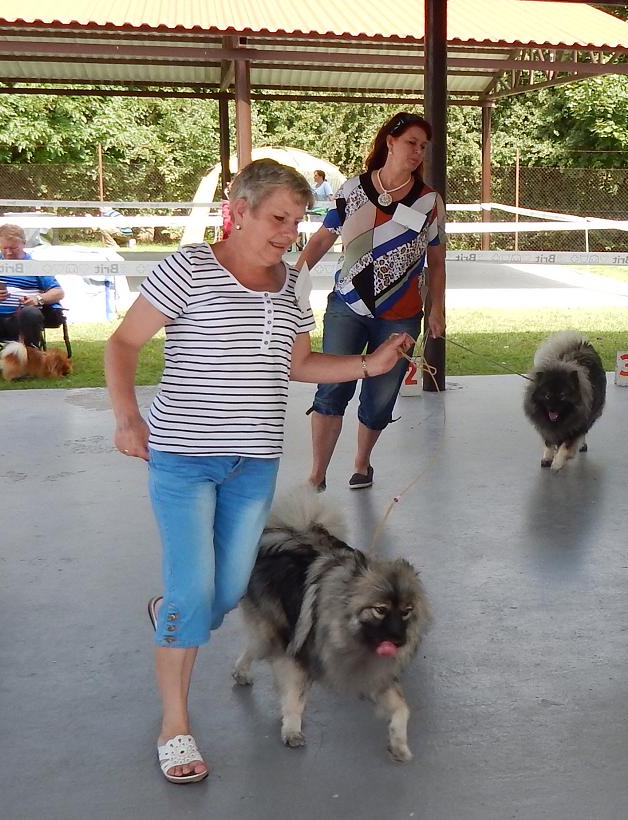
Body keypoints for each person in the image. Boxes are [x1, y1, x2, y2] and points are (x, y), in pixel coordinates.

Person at [104, 158, 413, 785]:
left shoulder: (287, 286)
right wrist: (127, 417)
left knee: (223, 592)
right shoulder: (187, 269)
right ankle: (175, 727)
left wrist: (369, 364)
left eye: (296, 222)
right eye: (277, 218)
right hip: (183, 459)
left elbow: (298, 364)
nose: (287, 233)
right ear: (237, 210)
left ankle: (174, 610)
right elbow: (122, 343)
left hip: (254, 465)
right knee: (195, 595)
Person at [295, 111, 446, 491]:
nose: (417, 152)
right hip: (346, 306)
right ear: (390, 141)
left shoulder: (429, 202)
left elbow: (437, 261)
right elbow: (323, 237)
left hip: (402, 315)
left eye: (423, 147)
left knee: (380, 397)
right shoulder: (350, 189)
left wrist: (438, 311)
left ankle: (362, 464)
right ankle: (317, 474)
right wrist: (292, 276)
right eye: (411, 142)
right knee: (331, 389)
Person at [0, 222, 66, 380]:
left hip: (21, 321)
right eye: (4, 248)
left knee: (31, 313)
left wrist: (38, 298)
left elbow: (58, 292)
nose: (8, 252)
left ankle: (27, 365)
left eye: (13, 248)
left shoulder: (35, 266)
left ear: (23, 244)